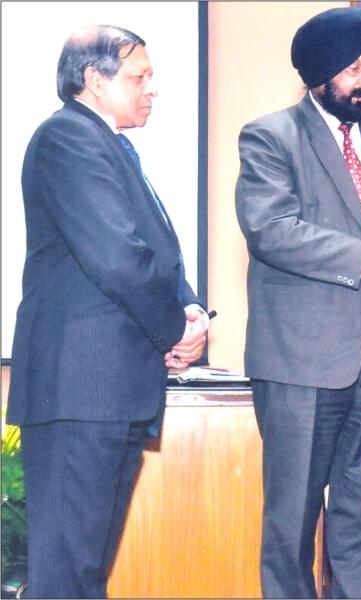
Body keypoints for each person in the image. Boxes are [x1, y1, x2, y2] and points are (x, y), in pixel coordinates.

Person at [234, 7, 361, 598]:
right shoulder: (270, 136)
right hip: (300, 361)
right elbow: (272, 229)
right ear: (319, 75)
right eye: (354, 70)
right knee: (292, 518)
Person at [6, 25, 208, 598]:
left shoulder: (107, 143)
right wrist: (176, 330)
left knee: (85, 570)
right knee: (67, 575)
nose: (152, 89)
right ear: (94, 80)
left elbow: (152, 249)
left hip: (107, 393)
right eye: (139, 77)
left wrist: (190, 306)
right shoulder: (67, 138)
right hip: (83, 391)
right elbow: (119, 257)